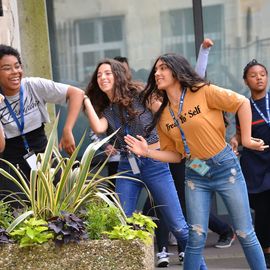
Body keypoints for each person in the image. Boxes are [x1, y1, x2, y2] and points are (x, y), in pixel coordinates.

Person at [124, 53, 268, 269]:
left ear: (176, 70)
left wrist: (246, 139)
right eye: (156, 70)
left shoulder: (202, 91)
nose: (157, 73)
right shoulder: (163, 115)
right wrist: (147, 152)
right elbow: (176, 155)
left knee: (245, 232)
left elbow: (241, 103)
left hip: (224, 167)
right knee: (196, 236)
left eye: (163, 68)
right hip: (196, 173)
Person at [83, 58, 207, 269]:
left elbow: (167, 118)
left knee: (178, 226)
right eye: (99, 75)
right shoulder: (106, 108)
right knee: (121, 223)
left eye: (107, 73)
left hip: (154, 164)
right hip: (126, 166)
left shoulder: (142, 95)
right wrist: (85, 100)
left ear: (118, 75)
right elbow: (97, 126)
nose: (102, 78)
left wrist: (157, 148)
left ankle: (199, 266)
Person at [0, 44, 84, 201]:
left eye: (17, 66)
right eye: (7, 68)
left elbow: (77, 94)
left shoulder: (32, 85)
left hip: (43, 155)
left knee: (61, 202)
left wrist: (67, 130)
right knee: (18, 211)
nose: (15, 72)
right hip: (12, 164)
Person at [230, 59, 270, 268]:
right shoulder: (243, 106)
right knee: (263, 210)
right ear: (246, 81)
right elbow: (240, 134)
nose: (259, 78)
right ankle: (265, 252)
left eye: (262, 74)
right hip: (255, 164)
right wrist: (235, 141)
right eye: (253, 75)